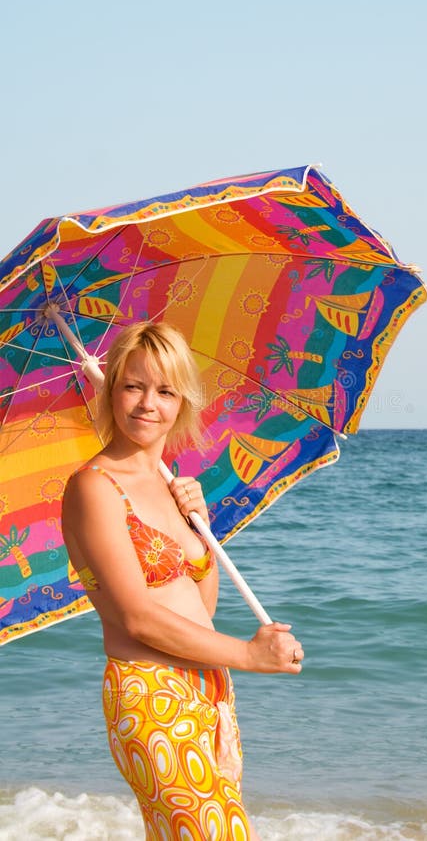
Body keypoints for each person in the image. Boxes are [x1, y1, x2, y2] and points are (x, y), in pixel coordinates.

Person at [61, 321, 303, 841]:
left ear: (182, 403)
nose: (148, 403)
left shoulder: (173, 486)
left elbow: (200, 607)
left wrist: (203, 533)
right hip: (150, 695)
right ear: (111, 390)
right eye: (133, 386)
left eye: (165, 390)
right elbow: (137, 616)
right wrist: (249, 655)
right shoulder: (93, 488)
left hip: (211, 695)